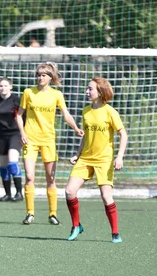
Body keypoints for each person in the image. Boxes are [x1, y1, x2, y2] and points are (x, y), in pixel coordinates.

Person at [16, 62, 83, 225]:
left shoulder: (56, 95)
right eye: (38, 75)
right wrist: (22, 132)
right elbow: (19, 115)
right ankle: (30, 213)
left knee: (51, 178)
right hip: (30, 140)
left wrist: (75, 127)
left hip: (48, 140)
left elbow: (66, 114)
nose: (40, 77)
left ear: (50, 77)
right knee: (30, 176)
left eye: (43, 75)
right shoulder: (28, 92)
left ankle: (52, 214)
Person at [65, 77, 128, 243]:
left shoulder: (110, 112)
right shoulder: (86, 110)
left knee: (106, 196)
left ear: (100, 92)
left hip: (104, 160)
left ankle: (115, 233)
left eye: (90, 89)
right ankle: (76, 226)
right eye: (87, 88)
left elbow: (123, 134)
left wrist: (119, 156)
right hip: (85, 158)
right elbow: (85, 138)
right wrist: (77, 155)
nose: (87, 91)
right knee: (69, 192)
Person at [0, 77, 24, 202]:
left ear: (11, 87)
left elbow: (22, 117)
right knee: (3, 166)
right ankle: (7, 194)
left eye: (5, 85)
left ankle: (19, 193)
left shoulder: (16, 100)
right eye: (1, 86)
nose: (3, 88)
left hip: (14, 134)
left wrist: (24, 133)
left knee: (12, 163)